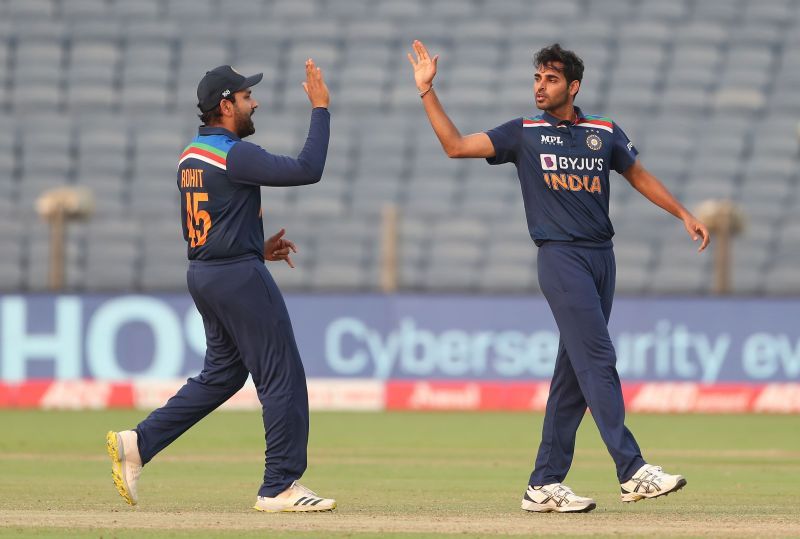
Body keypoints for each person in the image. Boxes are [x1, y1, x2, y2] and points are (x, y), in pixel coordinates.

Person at [408, 40, 709, 513]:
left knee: (572, 376)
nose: (540, 87)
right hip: (561, 258)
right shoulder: (523, 133)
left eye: (550, 79)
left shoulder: (603, 131)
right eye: (536, 78)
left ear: (573, 86)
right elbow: (455, 146)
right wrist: (427, 92)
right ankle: (632, 470)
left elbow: (638, 174)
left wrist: (682, 213)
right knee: (598, 359)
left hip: (601, 258)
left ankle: (544, 484)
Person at [106, 60, 336, 513]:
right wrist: (321, 108)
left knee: (223, 375)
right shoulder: (234, 153)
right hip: (237, 278)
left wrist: (254, 245)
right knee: (281, 374)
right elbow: (309, 168)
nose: (256, 103)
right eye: (248, 97)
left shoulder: (190, 155)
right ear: (226, 105)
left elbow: (210, 219)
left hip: (206, 273)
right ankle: (280, 486)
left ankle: (138, 443)